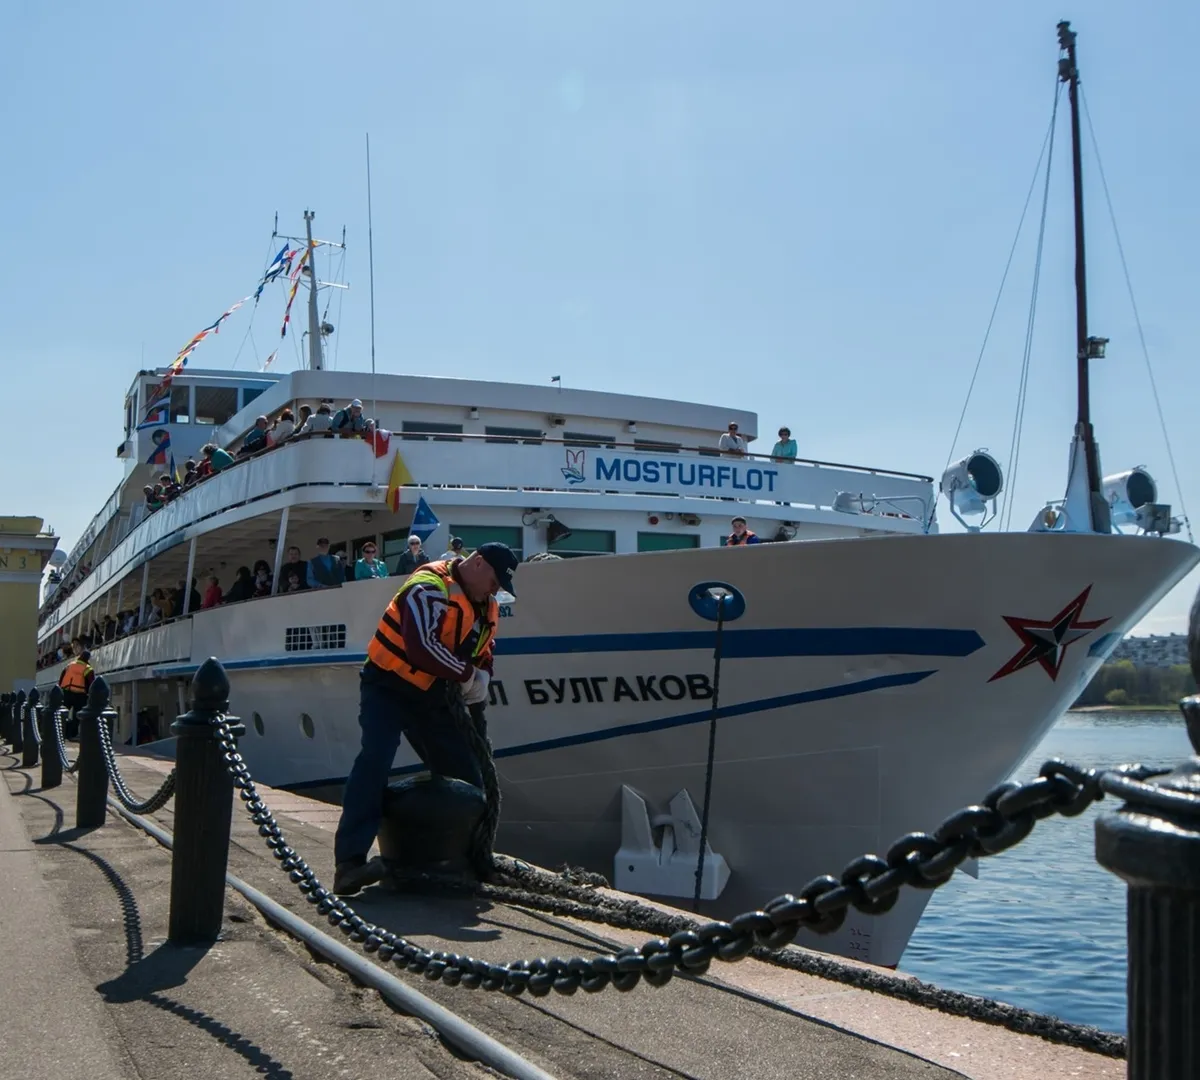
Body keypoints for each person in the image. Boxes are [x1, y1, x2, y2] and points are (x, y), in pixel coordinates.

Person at [332, 542, 520, 896]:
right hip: (387, 685)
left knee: (467, 776)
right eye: (494, 582)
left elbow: (483, 647)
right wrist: (466, 674)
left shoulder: (485, 605)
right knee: (375, 758)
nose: (495, 591)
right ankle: (349, 865)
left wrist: (483, 673)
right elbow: (421, 646)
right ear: (477, 563)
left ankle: (467, 861)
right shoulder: (429, 586)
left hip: (430, 695)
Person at [58, 648, 95, 739]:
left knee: (62, 713)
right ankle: (72, 734)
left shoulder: (70, 665)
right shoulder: (88, 668)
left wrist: (60, 689)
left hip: (66, 692)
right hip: (80, 695)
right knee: (77, 716)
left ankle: (60, 731)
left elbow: (62, 677)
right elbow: (92, 683)